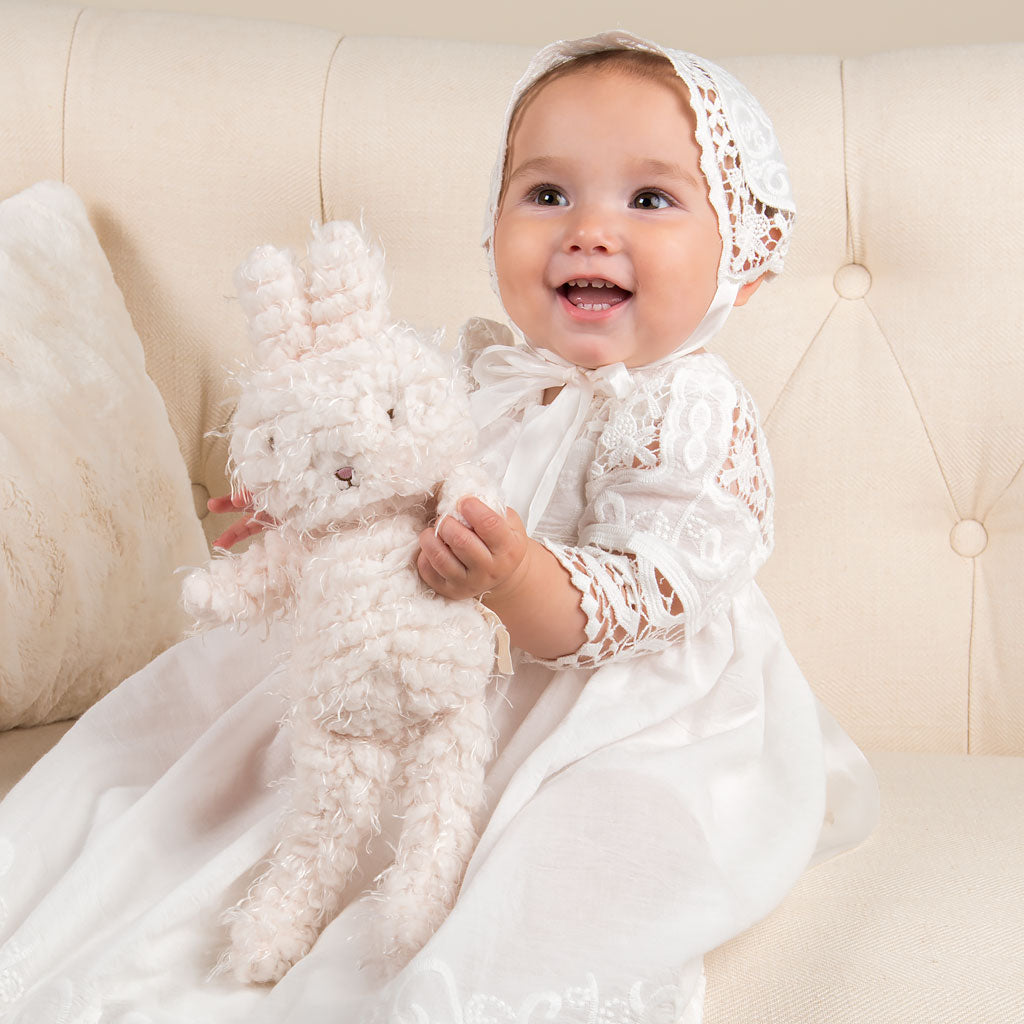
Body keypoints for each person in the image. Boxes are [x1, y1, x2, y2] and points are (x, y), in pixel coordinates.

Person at [0, 31, 878, 1024]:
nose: (589, 229)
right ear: (493, 224)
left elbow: (636, 601)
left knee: (573, 858)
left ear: (744, 260)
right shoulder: (461, 364)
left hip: (611, 704)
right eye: (547, 194)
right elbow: (365, 461)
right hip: (406, 661)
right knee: (219, 788)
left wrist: (514, 577)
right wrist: (301, 501)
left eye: (650, 199)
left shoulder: (688, 415)